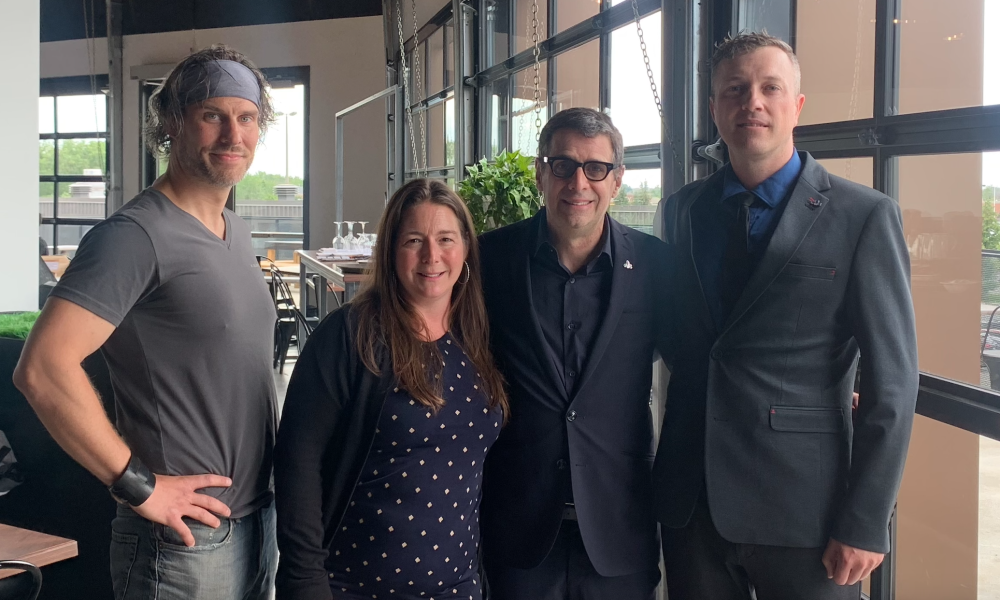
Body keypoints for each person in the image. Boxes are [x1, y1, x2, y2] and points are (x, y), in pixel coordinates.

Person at [654, 32, 919, 599]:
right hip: (692, 501)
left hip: (808, 512)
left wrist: (867, 519)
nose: (752, 101)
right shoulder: (682, 210)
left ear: (796, 105)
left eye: (770, 87)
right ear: (714, 108)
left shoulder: (863, 216)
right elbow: (681, 338)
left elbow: (893, 384)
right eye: (734, 89)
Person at [14, 45, 279, 599]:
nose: (234, 133)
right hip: (181, 542)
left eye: (247, 116)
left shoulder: (236, 230)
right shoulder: (133, 236)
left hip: (255, 525)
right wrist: (139, 486)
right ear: (172, 124)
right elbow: (41, 368)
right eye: (212, 115)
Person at [273, 178, 509, 600]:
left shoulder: (478, 335)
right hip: (355, 587)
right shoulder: (350, 335)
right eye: (414, 240)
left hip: (459, 588)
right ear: (390, 251)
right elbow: (297, 463)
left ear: (467, 249)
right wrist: (306, 582)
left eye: (445, 239)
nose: (431, 256)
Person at [478, 107, 669, 600]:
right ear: (541, 172)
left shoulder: (655, 266)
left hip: (618, 529)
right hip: (517, 526)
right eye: (562, 165)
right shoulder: (489, 259)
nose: (578, 182)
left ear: (618, 179)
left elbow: (702, 362)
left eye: (595, 168)